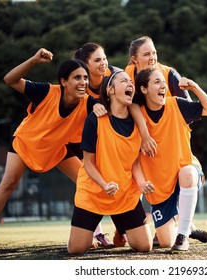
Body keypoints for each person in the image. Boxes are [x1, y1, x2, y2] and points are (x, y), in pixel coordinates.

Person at [0, 48, 110, 257]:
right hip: (26, 143)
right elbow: (9, 79)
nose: (83, 82)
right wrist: (34, 60)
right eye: (77, 78)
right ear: (63, 81)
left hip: (56, 149)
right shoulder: (46, 91)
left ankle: (95, 234)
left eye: (85, 78)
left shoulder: (89, 103)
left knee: (88, 182)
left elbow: (112, 111)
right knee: (8, 183)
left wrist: (101, 108)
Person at [125, 35, 207, 245]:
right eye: (147, 54)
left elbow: (191, 108)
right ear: (134, 60)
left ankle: (185, 228)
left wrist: (172, 132)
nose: (152, 57)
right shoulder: (127, 76)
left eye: (154, 52)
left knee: (185, 173)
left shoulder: (169, 75)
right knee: (131, 175)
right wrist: (145, 133)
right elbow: (128, 104)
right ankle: (130, 227)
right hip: (148, 150)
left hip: (172, 143)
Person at [67, 71, 154, 254]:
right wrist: (104, 185)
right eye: (124, 81)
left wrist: (142, 183)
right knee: (76, 249)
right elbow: (88, 163)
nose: (130, 84)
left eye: (131, 82)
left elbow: (135, 162)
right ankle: (115, 225)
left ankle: (120, 227)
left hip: (124, 195)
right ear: (110, 90)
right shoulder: (95, 120)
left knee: (145, 246)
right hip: (94, 192)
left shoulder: (138, 123)